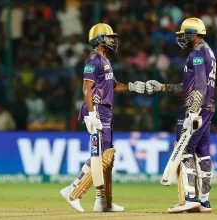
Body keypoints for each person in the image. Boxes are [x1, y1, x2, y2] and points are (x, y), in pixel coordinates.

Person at [60, 23, 145, 213]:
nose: (112, 40)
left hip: (106, 110)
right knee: (100, 156)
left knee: (107, 158)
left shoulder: (105, 60)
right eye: (108, 37)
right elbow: (86, 89)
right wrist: (90, 114)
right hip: (97, 109)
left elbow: (113, 86)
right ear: (98, 39)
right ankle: (73, 190)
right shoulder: (93, 60)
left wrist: (132, 86)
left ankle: (102, 200)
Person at [146, 18, 215, 213]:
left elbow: (200, 85)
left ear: (193, 34)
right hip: (207, 106)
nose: (183, 38)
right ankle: (204, 201)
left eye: (185, 34)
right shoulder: (207, 51)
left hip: (196, 107)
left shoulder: (197, 54)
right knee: (202, 154)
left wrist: (192, 111)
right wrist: (163, 87)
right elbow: (189, 86)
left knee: (185, 150)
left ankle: (191, 198)